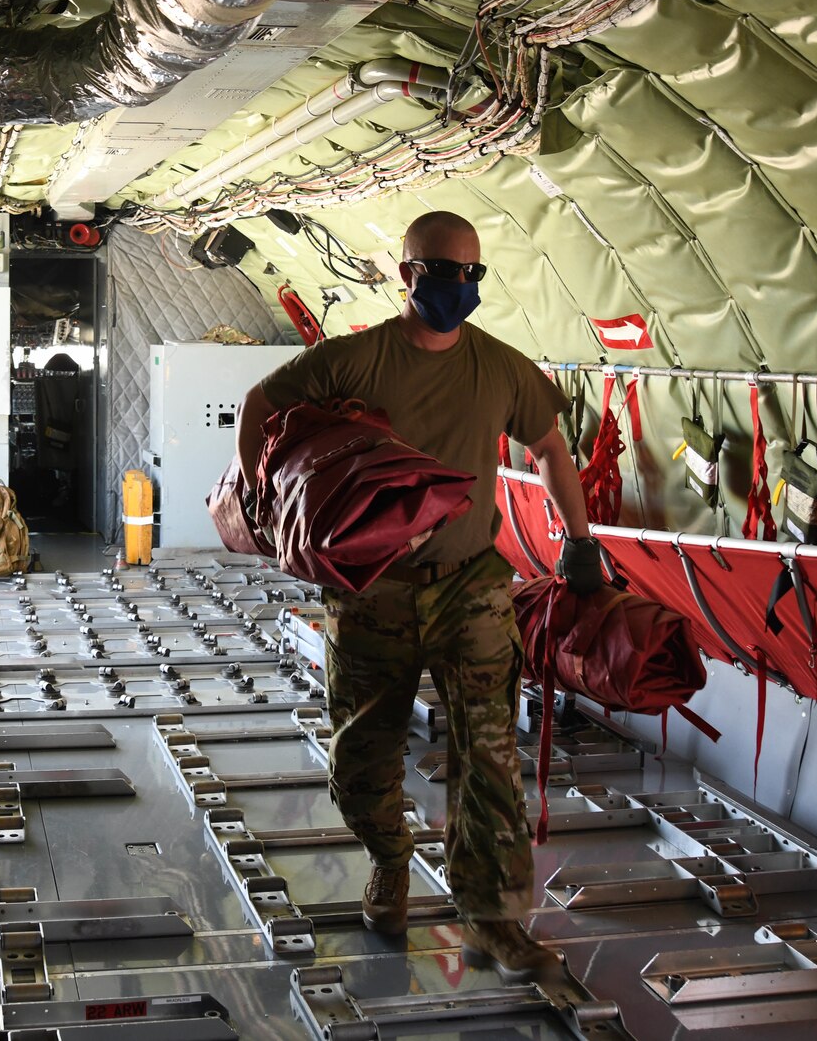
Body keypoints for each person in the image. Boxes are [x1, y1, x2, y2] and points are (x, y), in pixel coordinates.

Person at [235, 210, 602, 979]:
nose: (458, 287)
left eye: (472, 274)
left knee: (490, 756)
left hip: (471, 584)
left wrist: (578, 537)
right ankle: (389, 858)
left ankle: (493, 919)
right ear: (408, 275)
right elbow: (257, 406)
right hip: (375, 592)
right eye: (443, 272)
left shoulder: (501, 368)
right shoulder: (356, 360)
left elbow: (550, 449)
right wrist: (264, 499)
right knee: (364, 757)